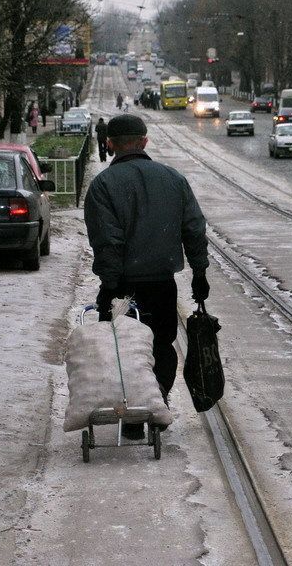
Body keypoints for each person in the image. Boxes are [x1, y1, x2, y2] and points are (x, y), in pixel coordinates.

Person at [84, 115, 210, 439]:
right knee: (162, 345)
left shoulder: (103, 186)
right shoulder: (174, 179)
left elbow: (107, 240)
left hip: (123, 287)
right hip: (162, 284)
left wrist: (110, 285)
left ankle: (131, 413)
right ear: (145, 141)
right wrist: (199, 272)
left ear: (109, 144)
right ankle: (158, 401)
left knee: (123, 347)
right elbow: (194, 228)